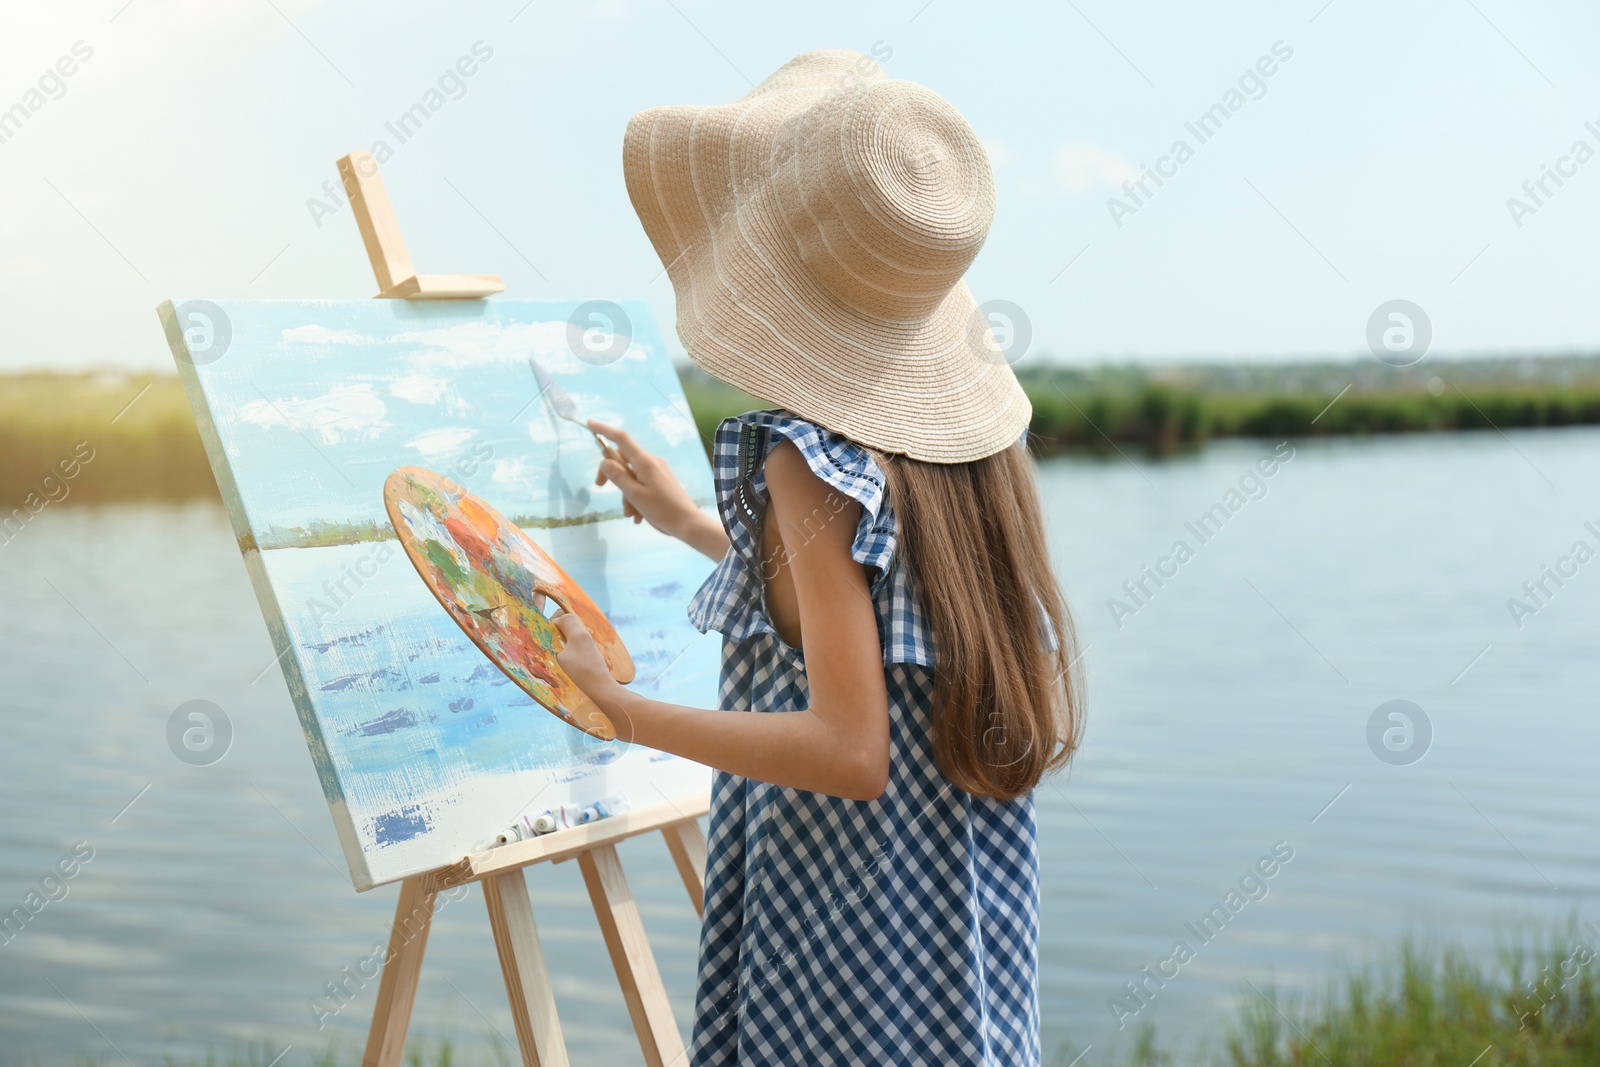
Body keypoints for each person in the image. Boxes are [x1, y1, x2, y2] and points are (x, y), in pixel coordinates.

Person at [550, 49, 1083, 1067]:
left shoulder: (805, 462)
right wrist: (693, 524)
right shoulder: (973, 457)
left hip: (850, 943)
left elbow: (848, 747)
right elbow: (870, 619)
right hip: (950, 926)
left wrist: (614, 710)